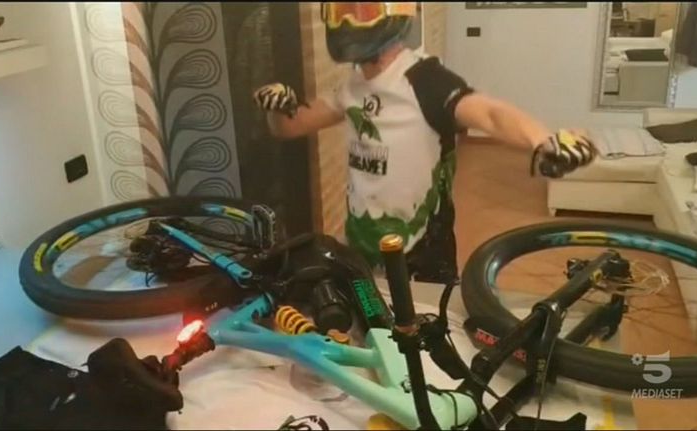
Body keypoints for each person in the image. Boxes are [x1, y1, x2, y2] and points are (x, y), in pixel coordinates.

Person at [253, 2, 596, 284]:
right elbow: (290, 127)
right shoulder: (352, 87)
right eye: (342, 10)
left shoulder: (425, 79)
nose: (348, 21)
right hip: (362, 245)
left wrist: (543, 140)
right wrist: (277, 106)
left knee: (425, 337)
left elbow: (489, 113)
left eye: (364, 11)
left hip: (422, 254)